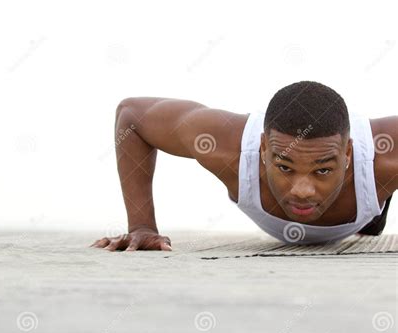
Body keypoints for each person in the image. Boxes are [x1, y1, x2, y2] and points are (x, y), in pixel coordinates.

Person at [91, 81, 397, 250]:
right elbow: (132, 114)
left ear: (347, 155)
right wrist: (142, 226)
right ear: (263, 149)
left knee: (376, 202)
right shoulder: (227, 148)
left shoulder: (382, 160)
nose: (302, 191)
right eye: (285, 168)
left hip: (366, 199)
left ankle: (375, 213)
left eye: (322, 170)